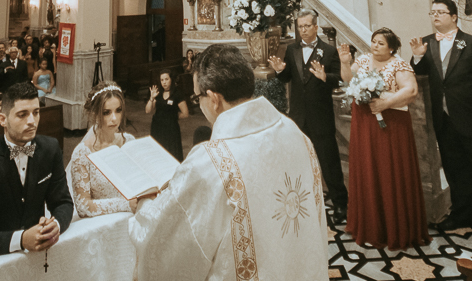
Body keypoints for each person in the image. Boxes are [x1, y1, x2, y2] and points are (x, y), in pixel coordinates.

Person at [130, 44, 329, 280]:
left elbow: (167, 250)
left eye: (197, 97)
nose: (199, 104)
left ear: (214, 98)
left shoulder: (210, 164)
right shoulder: (295, 133)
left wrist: (144, 208)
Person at [409, 0, 472, 252]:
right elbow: (420, 75)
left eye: (441, 12)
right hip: (444, 122)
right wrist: (417, 57)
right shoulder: (426, 43)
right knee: (456, 174)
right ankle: (462, 218)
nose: (435, 16)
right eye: (432, 12)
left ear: (454, 17)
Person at [0, 82, 74, 259]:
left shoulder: (50, 149)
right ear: (3, 119)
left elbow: (63, 202)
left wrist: (55, 224)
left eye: (36, 112)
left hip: (35, 259)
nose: (32, 121)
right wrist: (21, 240)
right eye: (22, 115)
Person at [338, 28, 429, 249]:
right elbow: (350, 81)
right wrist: (344, 63)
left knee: (390, 170)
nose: (375, 45)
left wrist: (385, 103)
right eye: (373, 41)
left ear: (391, 48)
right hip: (364, 124)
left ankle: (395, 228)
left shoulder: (399, 65)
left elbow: (411, 90)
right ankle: (370, 225)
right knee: (367, 169)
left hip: (391, 126)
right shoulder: (364, 60)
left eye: (380, 43)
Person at [268, 8, 348, 222]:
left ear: (315, 26)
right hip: (298, 116)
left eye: (306, 26)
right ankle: (303, 200)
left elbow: (339, 78)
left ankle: (341, 203)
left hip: (321, 116)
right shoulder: (292, 49)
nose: (302, 30)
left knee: (329, 161)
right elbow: (287, 78)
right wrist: (279, 70)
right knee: (298, 161)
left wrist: (325, 77)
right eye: (299, 26)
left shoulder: (329, 51)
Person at [67, 82, 136, 217]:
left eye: (118, 110)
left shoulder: (129, 141)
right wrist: (125, 205)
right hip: (102, 223)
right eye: (106, 113)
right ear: (94, 114)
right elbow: (83, 206)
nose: (114, 118)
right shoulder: (82, 153)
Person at [145, 69, 188, 162]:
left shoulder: (177, 94)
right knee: (158, 152)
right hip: (157, 128)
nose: (164, 82)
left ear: (171, 79)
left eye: (166, 79)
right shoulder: (158, 93)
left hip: (171, 129)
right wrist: (151, 98)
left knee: (171, 152)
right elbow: (148, 110)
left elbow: (185, 113)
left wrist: (172, 117)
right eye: (162, 80)